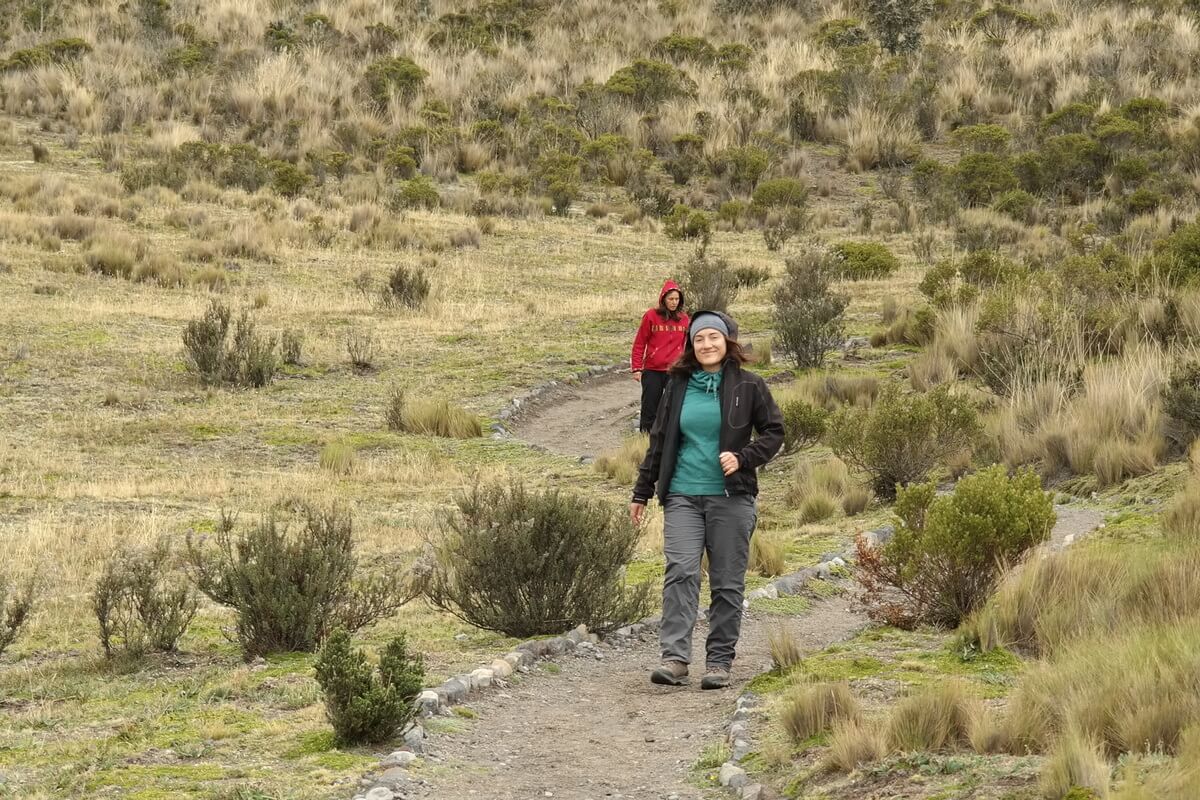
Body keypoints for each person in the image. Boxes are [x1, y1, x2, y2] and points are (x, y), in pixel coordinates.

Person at [630, 311, 784, 690]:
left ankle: (718, 662)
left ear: (728, 341)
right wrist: (642, 492)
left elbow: (774, 432)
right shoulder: (677, 387)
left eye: (713, 337)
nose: (706, 345)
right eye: (699, 339)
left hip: (731, 498)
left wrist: (744, 457)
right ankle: (675, 658)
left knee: (727, 582)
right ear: (691, 345)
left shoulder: (749, 386)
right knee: (680, 571)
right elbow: (660, 442)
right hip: (683, 493)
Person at [630, 281, 689, 433]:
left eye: (677, 299)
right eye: (671, 299)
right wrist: (636, 368)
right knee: (650, 406)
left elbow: (687, 346)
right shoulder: (651, 316)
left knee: (673, 405)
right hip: (652, 370)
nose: (674, 302)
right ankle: (645, 438)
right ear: (663, 299)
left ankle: (669, 438)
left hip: (674, 371)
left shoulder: (684, 319)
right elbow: (639, 343)